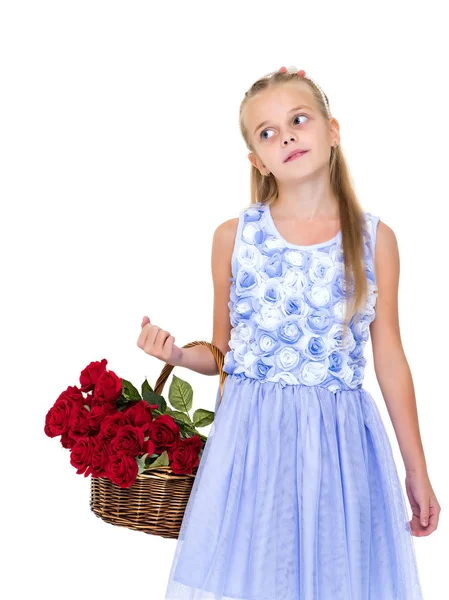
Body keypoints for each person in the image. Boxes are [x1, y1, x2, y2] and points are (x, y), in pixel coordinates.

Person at [137, 65, 440, 600]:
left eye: (299, 119)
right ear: (257, 160)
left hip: (342, 447)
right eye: (268, 132)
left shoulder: (374, 240)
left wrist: (418, 471)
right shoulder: (236, 236)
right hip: (254, 444)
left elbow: (389, 355)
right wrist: (181, 356)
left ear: (332, 129)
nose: (288, 136)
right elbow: (223, 353)